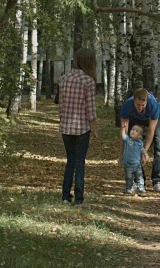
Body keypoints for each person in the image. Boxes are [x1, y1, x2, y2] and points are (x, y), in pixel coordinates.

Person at [58, 48, 99, 206]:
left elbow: (61, 105)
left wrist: (62, 120)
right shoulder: (88, 81)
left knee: (70, 161)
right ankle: (79, 198)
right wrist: (94, 129)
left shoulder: (64, 78)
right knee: (79, 162)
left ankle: (65, 196)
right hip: (82, 127)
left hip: (66, 126)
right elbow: (91, 110)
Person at [119, 88, 160, 192]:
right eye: (138, 105)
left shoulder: (153, 105)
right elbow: (124, 133)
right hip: (134, 119)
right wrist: (122, 153)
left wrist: (144, 150)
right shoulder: (127, 106)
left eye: (143, 105)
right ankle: (139, 180)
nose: (140, 108)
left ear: (147, 101)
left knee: (159, 147)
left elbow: (151, 132)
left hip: (153, 120)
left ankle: (157, 181)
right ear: (134, 100)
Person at [119, 124, 147, 194]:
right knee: (129, 177)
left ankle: (141, 187)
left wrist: (145, 155)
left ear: (139, 136)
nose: (133, 131)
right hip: (128, 164)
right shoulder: (128, 139)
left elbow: (142, 150)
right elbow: (123, 136)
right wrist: (123, 128)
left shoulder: (140, 143)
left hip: (137, 164)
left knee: (139, 177)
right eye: (132, 129)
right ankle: (128, 188)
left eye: (136, 131)